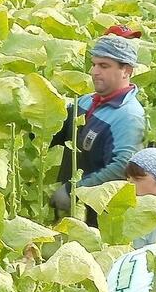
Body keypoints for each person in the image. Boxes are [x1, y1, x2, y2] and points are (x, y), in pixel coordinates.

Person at [50, 26, 147, 220]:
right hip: (71, 212)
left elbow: (122, 167)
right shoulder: (86, 101)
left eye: (104, 66)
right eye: (94, 64)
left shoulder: (128, 116)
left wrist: (75, 191)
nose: (94, 72)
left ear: (126, 70)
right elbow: (56, 129)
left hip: (99, 216)